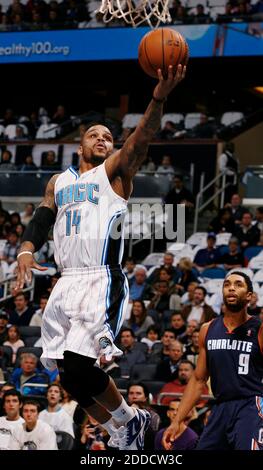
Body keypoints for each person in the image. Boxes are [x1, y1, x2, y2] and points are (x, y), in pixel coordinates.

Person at [15, 64, 187, 450]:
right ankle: (127, 425)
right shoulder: (58, 182)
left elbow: (143, 137)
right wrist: (26, 249)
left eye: (109, 137)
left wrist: (158, 97)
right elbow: (42, 218)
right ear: (80, 145)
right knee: (68, 377)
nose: (103, 140)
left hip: (100, 278)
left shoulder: (115, 173)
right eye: (95, 135)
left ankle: (131, 418)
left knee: (79, 364)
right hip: (66, 280)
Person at [162, 271, 263, 450]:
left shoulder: (259, 329)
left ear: (249, 296)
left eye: (238, 284)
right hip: (220, 406)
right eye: (227, 284)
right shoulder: (207, 329)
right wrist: (177, 421)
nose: (231, 288)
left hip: (251, 406)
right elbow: (198, 380)